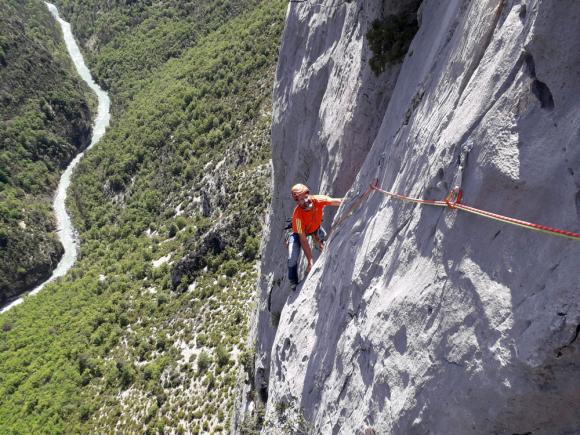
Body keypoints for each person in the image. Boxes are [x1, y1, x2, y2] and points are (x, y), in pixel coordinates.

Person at [288, 183, 342, 288]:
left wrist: (362, 193)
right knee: (292, 256)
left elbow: (336, 201)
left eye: (306, 196)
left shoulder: (317, 200)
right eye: (301, 199)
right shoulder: (298, 217)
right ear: (297, 202)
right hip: (299, 232)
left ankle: (319, 243)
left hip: (314, 227)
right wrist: (310, 261)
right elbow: (303, 240)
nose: (306, 200)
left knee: (324, 246)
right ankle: (293, 280)